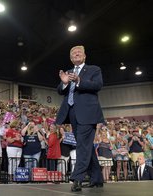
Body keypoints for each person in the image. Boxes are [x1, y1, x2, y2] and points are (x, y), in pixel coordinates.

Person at [55, 45, 104, 192]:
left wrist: (79, 81)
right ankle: (96, 179)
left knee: (82, 146)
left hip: (88, 114)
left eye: (79, 52)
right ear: (71, 58)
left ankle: (77, 179)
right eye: (73, 53)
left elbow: (98, 85)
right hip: (72, 113)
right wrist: (64, 83)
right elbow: (59, 91)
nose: (76, 54)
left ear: (84, 56)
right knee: (85, 145)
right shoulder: (68, 72)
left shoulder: (94, 69)